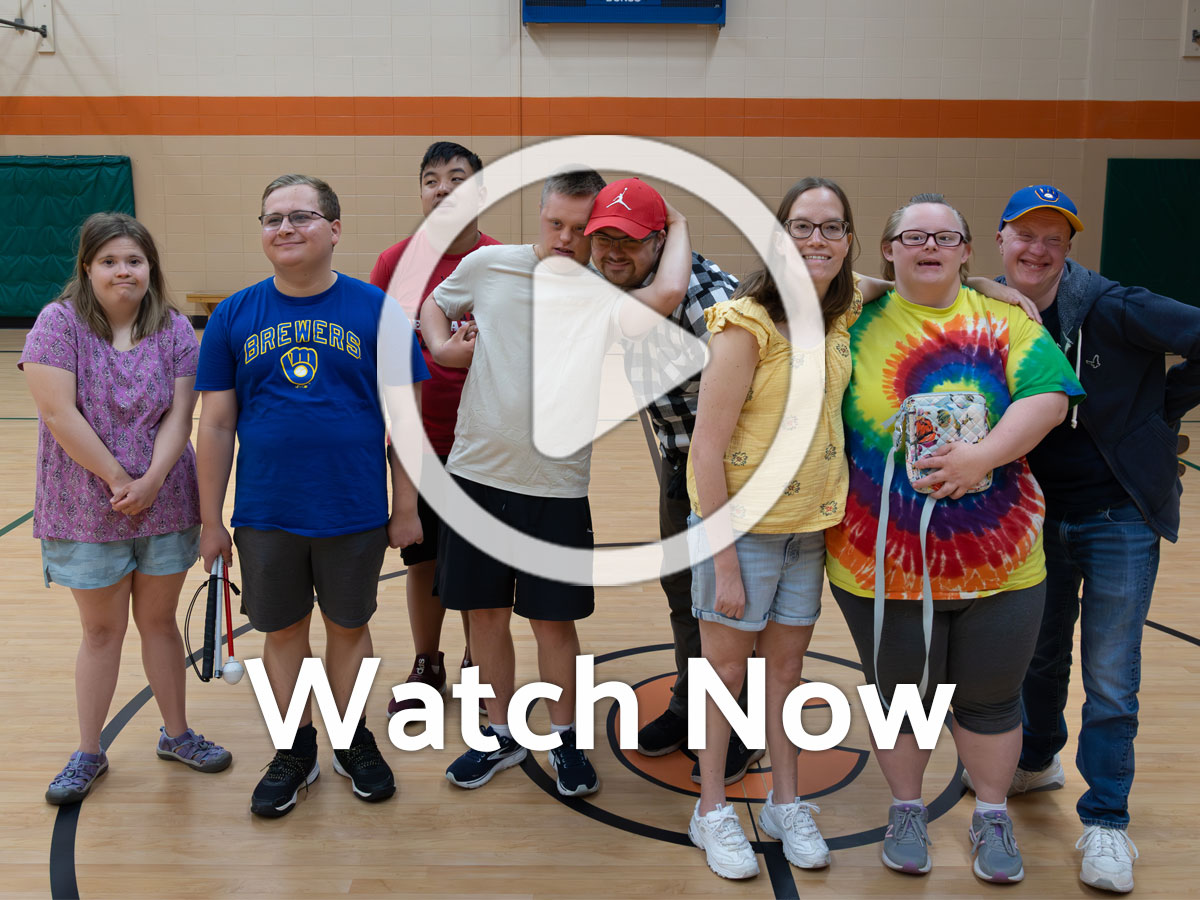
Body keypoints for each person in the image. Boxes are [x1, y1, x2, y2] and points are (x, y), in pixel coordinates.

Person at [824, 193, 1084, 884]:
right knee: (903, 699)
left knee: (991, 699)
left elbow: (1050, 398)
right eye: (913, 235)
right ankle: (906, 809)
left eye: (946, 236)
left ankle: (992, 816)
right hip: (879, 562)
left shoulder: (1003, 320)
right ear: (888, 249)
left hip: (1001, 564)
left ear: (968, 251)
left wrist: (983, 457)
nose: (929, 245)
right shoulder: (854, 316)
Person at [420, 169, 692, 797]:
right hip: (477, 475)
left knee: (553, 624)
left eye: (580, 228)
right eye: (556, 224)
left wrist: (675, 222)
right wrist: (440, 345)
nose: (566, 238)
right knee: (483, 616)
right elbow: (437, 301)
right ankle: (499, 734)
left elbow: (672, 290)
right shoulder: (491, 266)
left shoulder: (602, 289)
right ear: (537, 215)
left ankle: (567, 740)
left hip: (557, 486)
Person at [963, 184, 1200, 893]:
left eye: (1053, 240)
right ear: (1001, 239)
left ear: (1068, 249)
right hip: (1035, 513)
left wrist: (1163, 406)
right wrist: (978, 280)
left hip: (1116, 514)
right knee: (1036, 655)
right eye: (1024, 236)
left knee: (1110, 672)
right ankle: (1036, 759)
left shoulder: (1112, 305)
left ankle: (1107, 822)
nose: (1037, 250)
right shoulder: (993, 307)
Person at [195, 174, 429, 818]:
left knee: (350, 629)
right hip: (267, 514)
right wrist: (208, 519)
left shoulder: (376, 311)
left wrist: (405, 507)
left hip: (351, 512)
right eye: (272, 219)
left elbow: (403, 423)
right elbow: (214, 424)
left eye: (300, 216)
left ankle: (352, 740)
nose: (285, 228)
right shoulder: (234, 315)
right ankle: (295, 749)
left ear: (335, 228)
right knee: (284, 634)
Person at [683, 177, 874, 878]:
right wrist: (725, 561)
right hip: (742, 534)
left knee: (785, 675)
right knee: (723, 674)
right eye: (802, 226)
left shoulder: (841, 311)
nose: (816, 239)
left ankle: (785, 801)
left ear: (847, 239)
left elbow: (890, 281)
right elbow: (705, 447)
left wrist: (988, 284)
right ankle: (710, 809)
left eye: (831, 227)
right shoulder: (745, 325)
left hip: (808, 533)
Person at [22, 212, 232, 806]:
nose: (123, 271)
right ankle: (89, 751)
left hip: (165, 505)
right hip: (86, 508)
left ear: (150, 268)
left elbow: (179, 412)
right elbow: (60, 415)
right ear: (87, 267)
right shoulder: (56, 325)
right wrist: (120, 479)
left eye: (134, 261)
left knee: (160, 624)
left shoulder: (172, 329)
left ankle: (178, 734)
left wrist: (154, 479)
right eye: (110, 261)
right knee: (101, 631)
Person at [584, 179, 764, 784]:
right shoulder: (624, 287)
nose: (612, 251)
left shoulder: (708, 302)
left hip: (733, 476)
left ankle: (739, 728)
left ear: (660, 242)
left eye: (628, 240)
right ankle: (692, 709)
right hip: (679, 467)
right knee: (685, 598)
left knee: (732, 609)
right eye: (602, 237)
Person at [369, 141, 500, 718]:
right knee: (422, 562)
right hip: (417, 443)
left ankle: (479, 663)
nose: (443, 189)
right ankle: (428, 663)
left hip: (488, 446)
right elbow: (375, 352)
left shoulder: (507, 260)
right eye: (431, 180)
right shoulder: (394, 262)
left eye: (456, 178)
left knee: (476, 567)